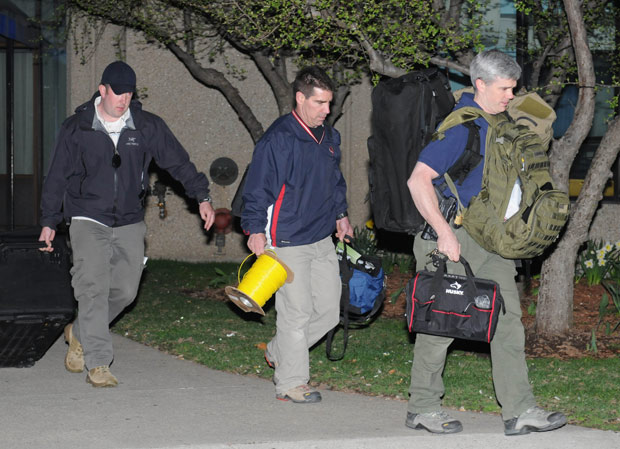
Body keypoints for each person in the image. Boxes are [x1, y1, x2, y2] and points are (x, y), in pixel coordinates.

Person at [405, 50, 567, 435]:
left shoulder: (503, 125)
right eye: (504, 88)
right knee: (440, 324)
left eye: (513, 88)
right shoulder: (464, 127)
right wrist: (444, 235)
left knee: (509, 323)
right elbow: (418, 180)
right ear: (480, 84)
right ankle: (423, 408)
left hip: (491, 238)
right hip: (452, 237)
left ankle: (520, 409)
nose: (510, 95)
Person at [39, 61, 215, 387]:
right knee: (92, 287)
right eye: (117, 93)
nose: (122, 100)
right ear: (102, 90)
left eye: (128, 94)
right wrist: (49, 220)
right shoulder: (77, 128)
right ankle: (98, 363)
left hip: (130, 220)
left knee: (125, 290)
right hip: (87, 216)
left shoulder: (146, 126)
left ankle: (79, 332)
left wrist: (201, 196)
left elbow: (178, 161)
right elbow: (56, 176)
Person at [241, 66, 353, 403]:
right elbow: (257, 189)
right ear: (300, 98)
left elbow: (335, 182)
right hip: (286, 238)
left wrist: (342, 215)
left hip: (321, 237)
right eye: (319, 103)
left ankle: (278, 350)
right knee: (297, 311)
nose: (326, 110)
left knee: (329, 312)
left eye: (329, 104)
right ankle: (290, 382)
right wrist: (254, 230)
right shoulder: (279, 139)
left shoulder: (329, 138)